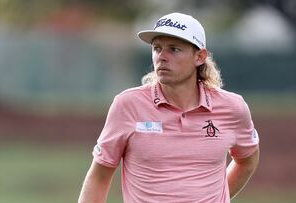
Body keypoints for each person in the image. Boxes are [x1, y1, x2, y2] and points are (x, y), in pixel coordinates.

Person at [78, 12, 260, 203]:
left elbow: (247, 160)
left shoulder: (233, 107)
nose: (162, 57)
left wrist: (217, 197)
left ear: (199, 56)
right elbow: (99, 177)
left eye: (174, 49)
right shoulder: (128, 105)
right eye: (157, 48)